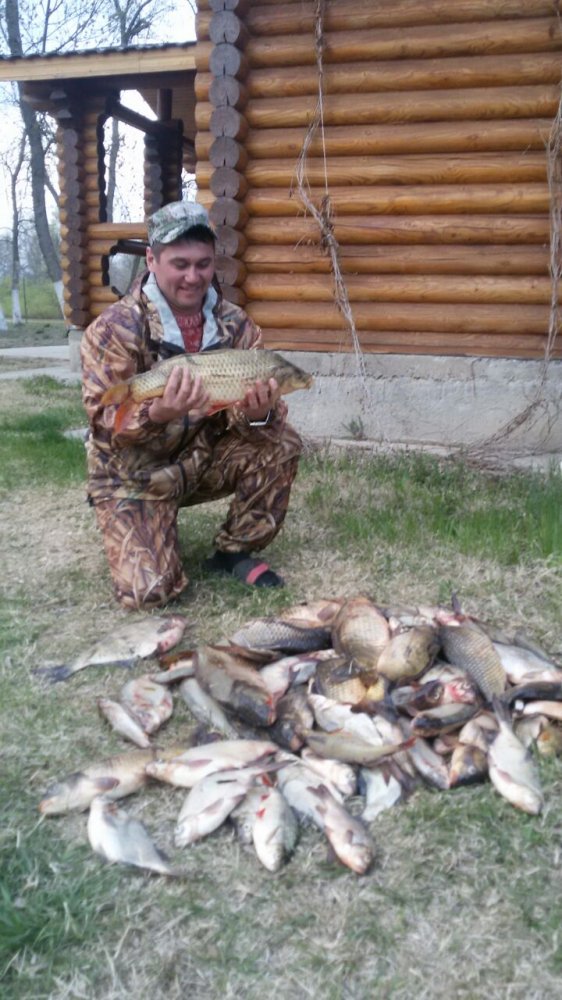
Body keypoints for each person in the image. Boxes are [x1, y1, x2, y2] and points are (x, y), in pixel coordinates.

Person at [81, 200, 303, 610]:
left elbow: (261, 426)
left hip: (201, 460)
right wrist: (158, 413)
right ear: (152, 260)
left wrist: (258, 414)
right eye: (179, 264)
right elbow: (104, 426)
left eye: (203, 264)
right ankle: (142, 522)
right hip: (137, 473)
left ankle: (234, 552)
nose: (193, 276)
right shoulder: (114, 329)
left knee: (283, 442)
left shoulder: (236, 325)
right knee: (150, 593)